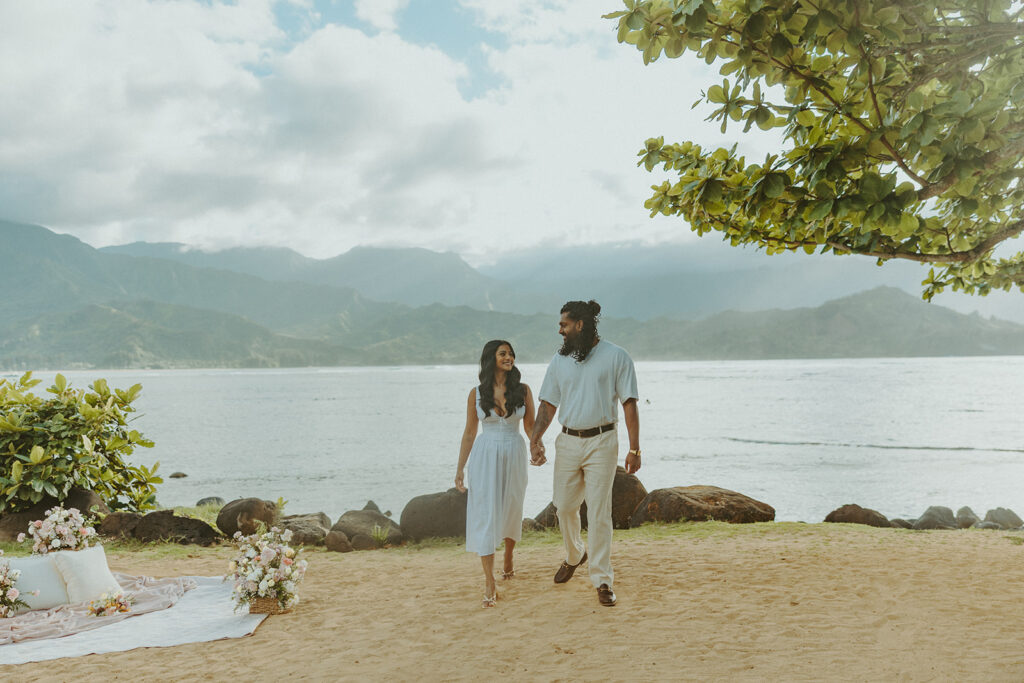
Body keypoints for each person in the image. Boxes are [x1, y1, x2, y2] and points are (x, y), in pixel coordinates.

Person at [529, 300, 640, 607]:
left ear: (580, 324)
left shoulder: (617, 356)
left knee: (599, 510)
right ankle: (575, 552)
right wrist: (535, 438)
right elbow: (548, 404)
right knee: (563, 506)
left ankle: (602, 579)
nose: (560, 331)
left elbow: (629, 403)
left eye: (564, 325)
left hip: (603, 441)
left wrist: (634, 448)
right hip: (568, 441)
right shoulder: (559, 360)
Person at [455, 339, 537, 608]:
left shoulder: (523, 390)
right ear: (492, 358)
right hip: (485, 453)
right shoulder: (476, 394)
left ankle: (509, 556)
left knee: (513, 506)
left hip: (514, 450)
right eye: (503, 353)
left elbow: (531, 427)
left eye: (512, 353)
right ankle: (490, 581)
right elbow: (469, 433)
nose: (509, 357)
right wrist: (459, 470)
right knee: (486, 513)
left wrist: (538, 446)